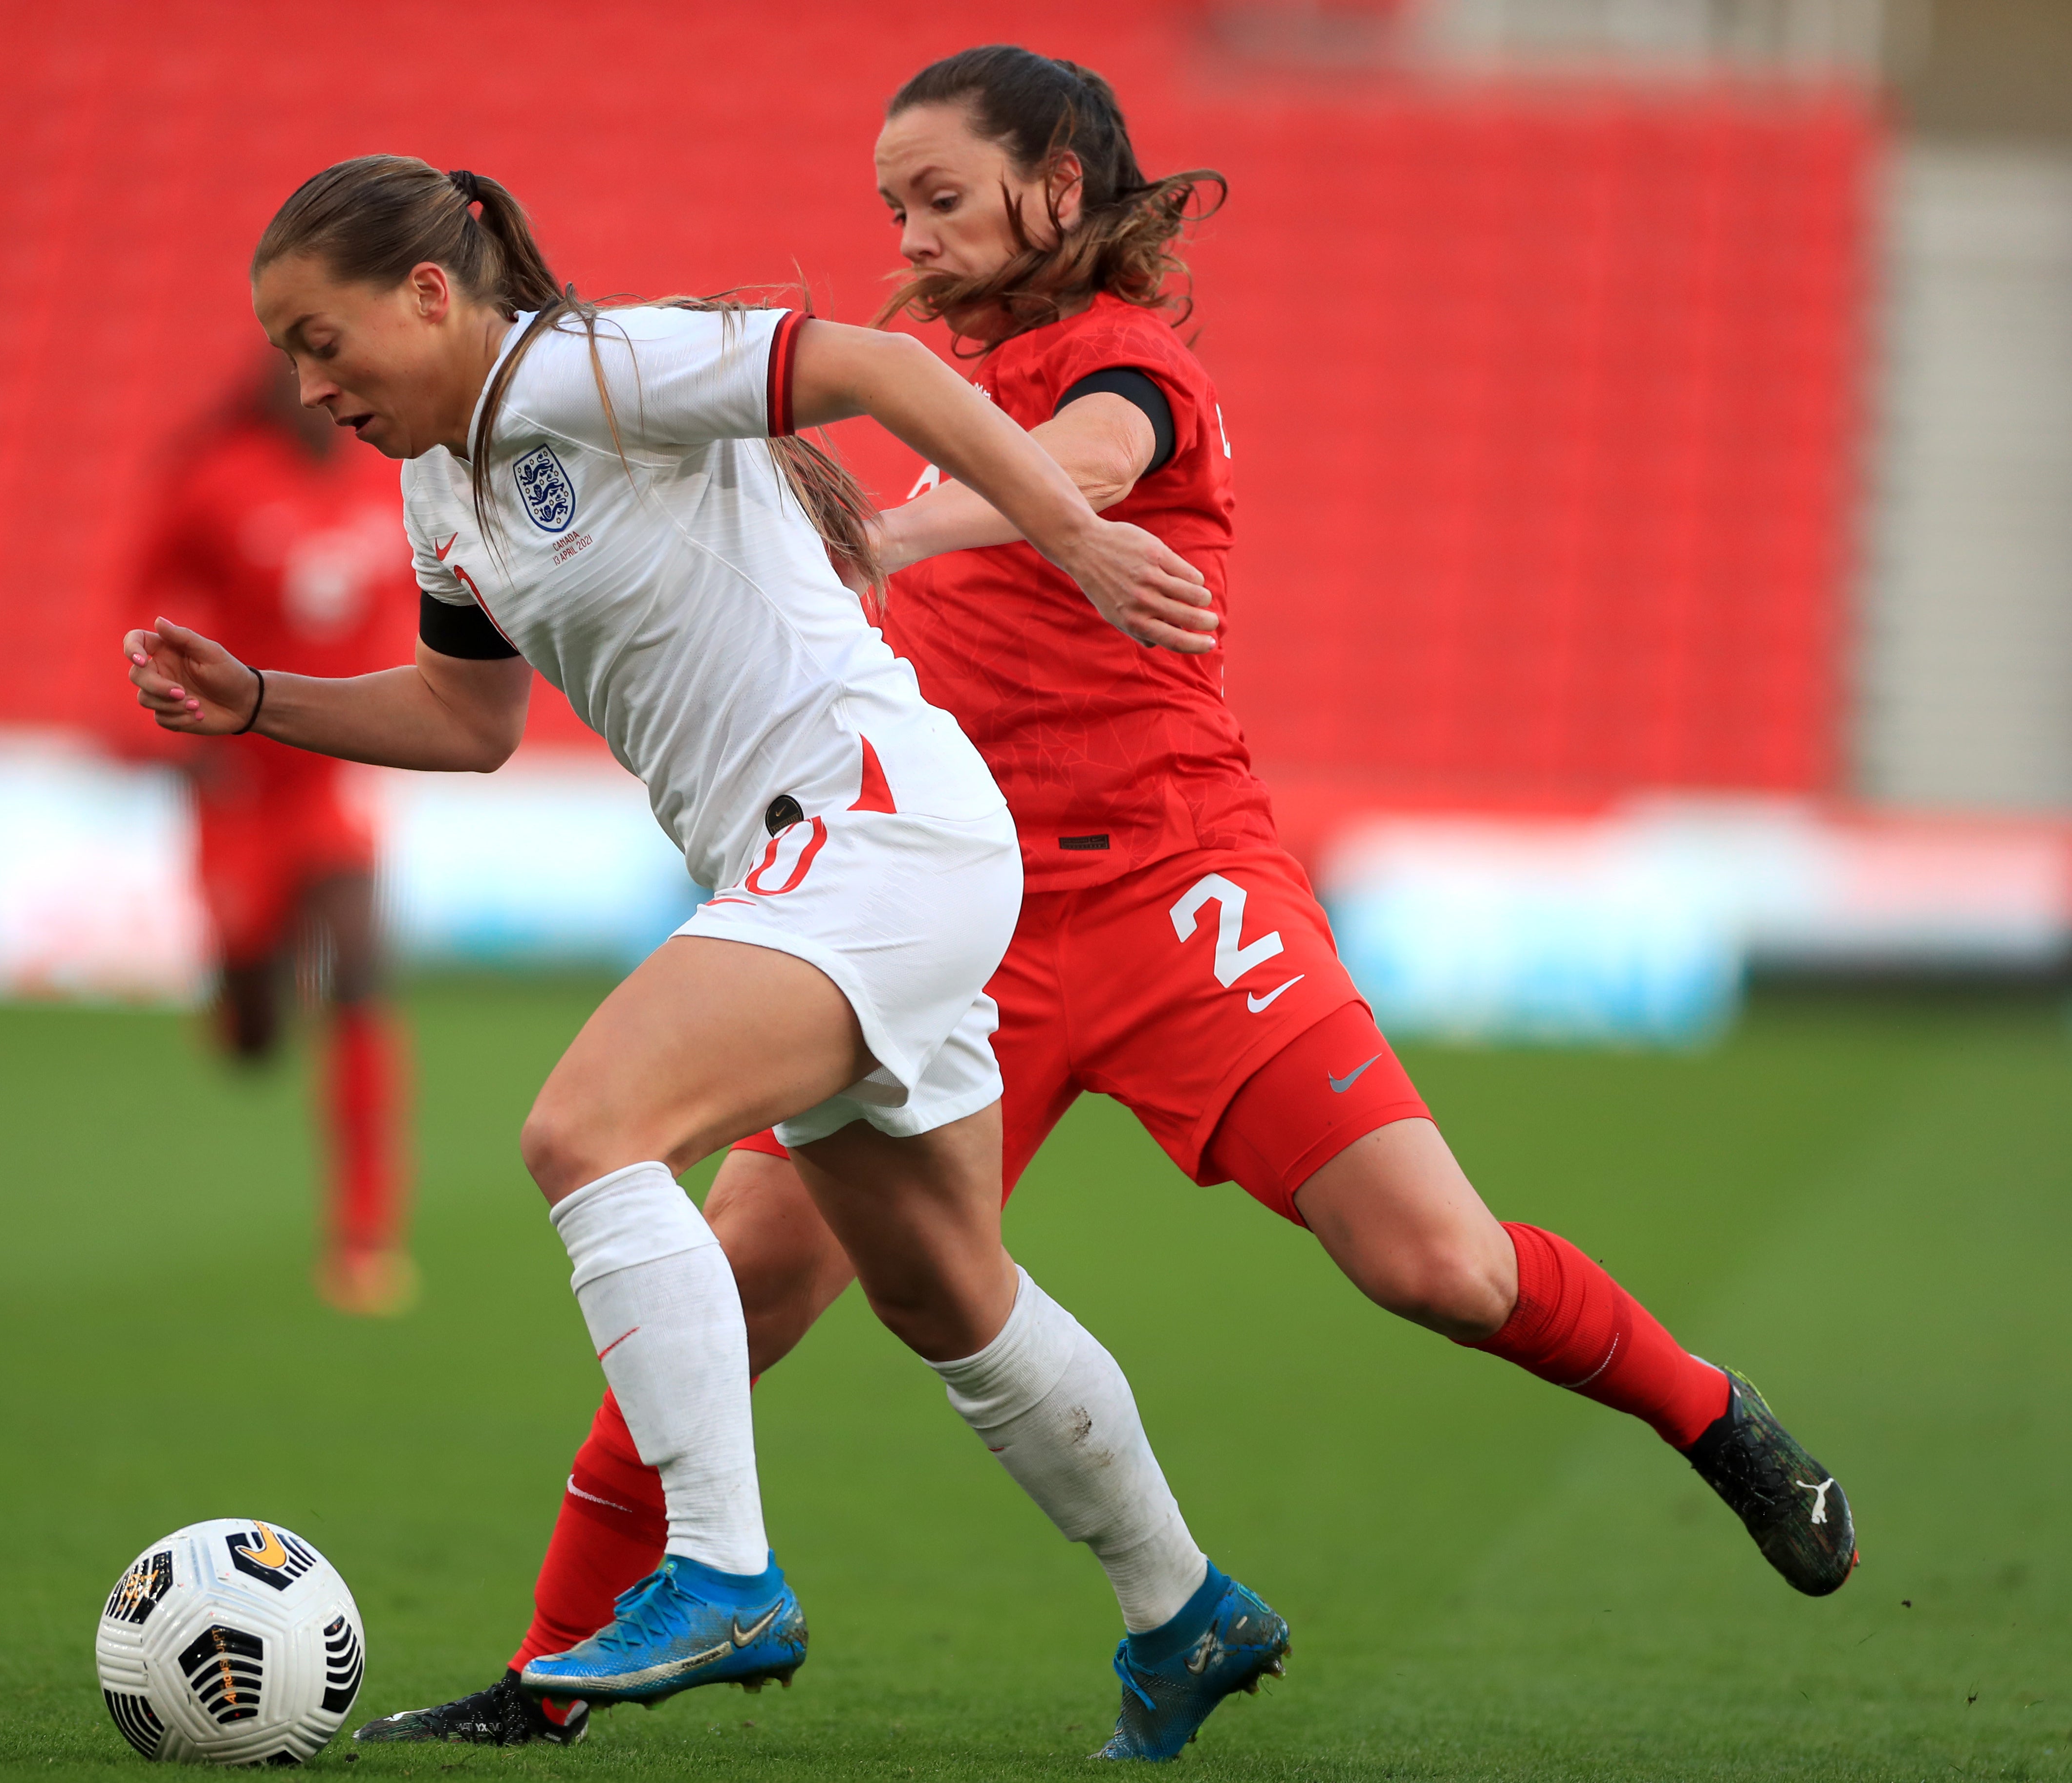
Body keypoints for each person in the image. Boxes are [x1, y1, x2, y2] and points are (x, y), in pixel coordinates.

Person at [368, 44, 1860, 1759]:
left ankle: (1710, 1416)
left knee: (1435, 1262)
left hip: (1172, 890)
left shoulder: (1134, 367)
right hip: (938, 913)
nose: (910, 235)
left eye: (939, 195)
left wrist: (903, 530)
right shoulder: (935, 371)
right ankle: (552, 1674)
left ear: (1058, 188)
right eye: (890, 206)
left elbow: (1069, 462)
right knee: (735, 1277)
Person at [125, 153, 1286, 1761]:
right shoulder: (441, 481)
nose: (309, 384)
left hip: (871, 825)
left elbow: (869, 365)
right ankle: (1183, 1601)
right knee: (945, 1285)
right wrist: (260, 695)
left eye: (325, 341)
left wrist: (1071, 539)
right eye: (289, 355)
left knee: (584, 1129)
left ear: (430, 294)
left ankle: (721, 1566)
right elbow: (466, 720)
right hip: (841, 855)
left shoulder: (584, 366)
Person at [126, 350, 419, 1317]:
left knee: (362, 970)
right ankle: (242, 994)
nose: (338, 402)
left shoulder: (397, 475)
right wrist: (163, 711)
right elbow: (144, 594)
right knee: (256, 1036)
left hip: (333, 774)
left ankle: (366, 1239)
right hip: (241, 781)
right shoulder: (218, 483)